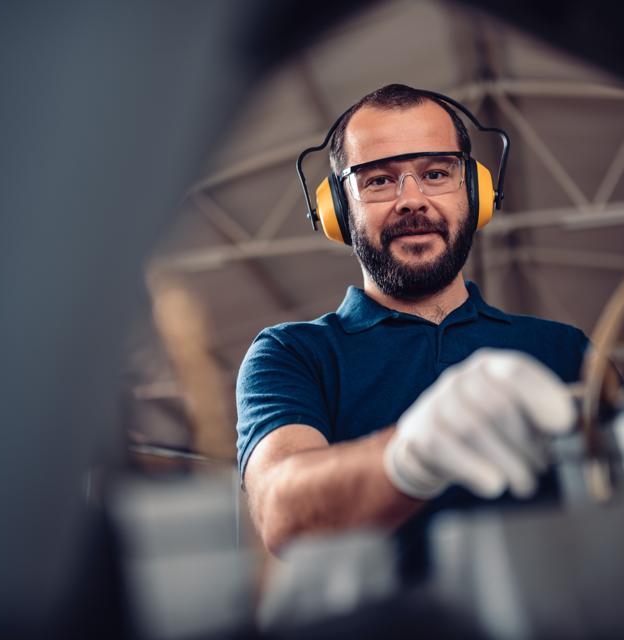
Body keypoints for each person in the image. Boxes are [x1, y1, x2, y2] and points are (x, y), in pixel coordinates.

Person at [237, 84, 589, 557]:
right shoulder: (292, 354)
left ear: (476, 192)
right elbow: (281, 512)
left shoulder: (566, 350)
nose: (411, 200)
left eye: (436, 173)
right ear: (338, 210)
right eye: (378, 180)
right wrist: (410, 456)